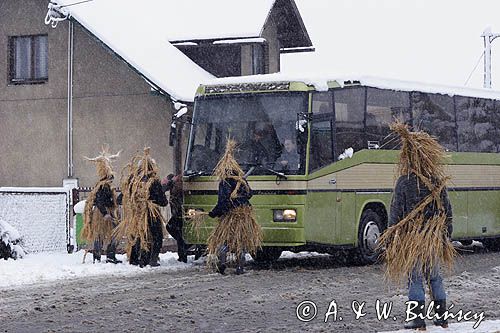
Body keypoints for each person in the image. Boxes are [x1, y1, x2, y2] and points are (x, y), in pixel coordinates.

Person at [378, 121, 456, 330]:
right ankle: (442, 318)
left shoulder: (404, 182)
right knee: (435, 277)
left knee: (414, 278)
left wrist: (392, 238)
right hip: (433, 239)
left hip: (412, 240)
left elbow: (395, 214)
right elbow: (447, 212)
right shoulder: (436, 181)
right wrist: (445, 236)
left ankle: (417, 318)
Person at [207, 139, 262, 275]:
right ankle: (240, 265)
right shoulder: (241, 179)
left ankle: (222, 259)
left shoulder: (225, 182)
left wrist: (214, 213)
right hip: (244, 215)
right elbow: (250, 194)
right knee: (241, 239)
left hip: (231, 215)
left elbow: (223, 202)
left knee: (226, 238)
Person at [115, 148, 168, 267]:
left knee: (137, 234)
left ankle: (134, 259)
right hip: (151, 213)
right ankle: (150, 259)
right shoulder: (154, 181)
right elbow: (163, 202)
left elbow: (122, 197)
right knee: (156, 235)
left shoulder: (132, 180)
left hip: (136, 213)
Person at [82, 147, 122, 264]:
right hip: (102, 214)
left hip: (105, 212)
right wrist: (105, 214)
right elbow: (99, 200)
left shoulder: (103, 185)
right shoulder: (104, 186)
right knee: (107, 233)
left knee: (106, 234)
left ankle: (102, 256)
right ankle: (102, 256)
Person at [162, 173, 188, 263]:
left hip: (179, 213)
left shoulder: (179, 187)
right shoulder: (175, 186)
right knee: (179, 234)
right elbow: (163, 189)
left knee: (173, 230)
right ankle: (183, 252)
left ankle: (184, 252)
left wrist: (169, 183)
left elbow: (163, 189)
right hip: (177, 213)